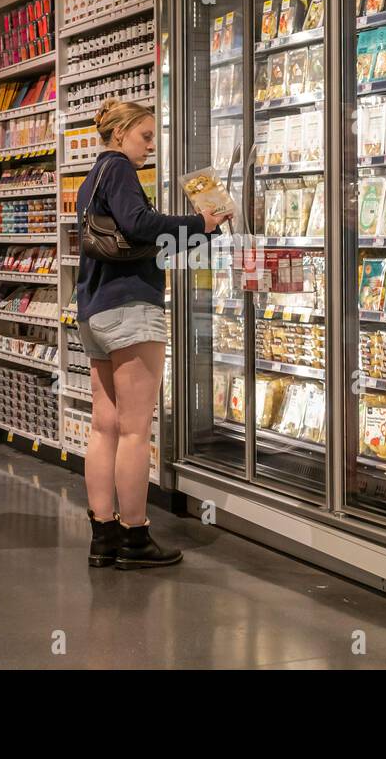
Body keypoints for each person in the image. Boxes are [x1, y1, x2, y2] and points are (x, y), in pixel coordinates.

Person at [76, 98, 230, 569]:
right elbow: (138, 224)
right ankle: (135, 535)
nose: (149, 146)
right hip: (130, 310)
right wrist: (198, 225)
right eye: (145, 136)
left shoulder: (90, 178)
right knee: (136, 430)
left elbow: (127, 233)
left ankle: (103, 535)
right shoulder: (120, 169)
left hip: (94, 310)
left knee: (104, 427)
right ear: (120, 134)